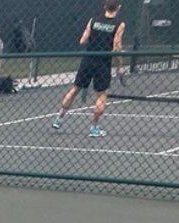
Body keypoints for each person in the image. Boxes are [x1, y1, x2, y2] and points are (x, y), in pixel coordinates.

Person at [53, 2, 126, 138]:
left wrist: (95, 39)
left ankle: (59, 118)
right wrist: (120, 65)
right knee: (101, 94)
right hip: (103, 62)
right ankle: (93, 127)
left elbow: (82, 40)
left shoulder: (93, 20)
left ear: (104, 6)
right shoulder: (119, 23)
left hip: (88, 59)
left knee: (75, 89)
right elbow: (117, 45)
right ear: (119, 7)